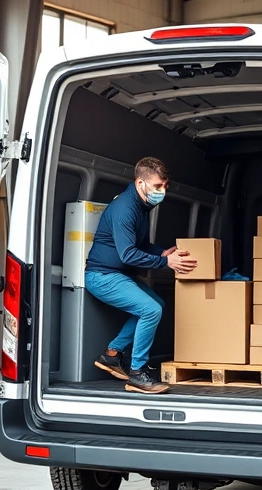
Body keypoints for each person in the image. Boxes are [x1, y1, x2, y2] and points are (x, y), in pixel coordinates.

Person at [84, 157, 197, 394]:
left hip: (118, 275)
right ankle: (137, 374)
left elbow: (140, 245)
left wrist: (161, 252)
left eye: (165, 186)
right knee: (150, 309)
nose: (162, 191)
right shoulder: (125, 208)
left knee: (157, 304)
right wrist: (166, 262)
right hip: (103, 276)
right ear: (140, 183)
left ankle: (112, 355)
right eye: (158, 186)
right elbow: (127, 254)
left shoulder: (142, 205)